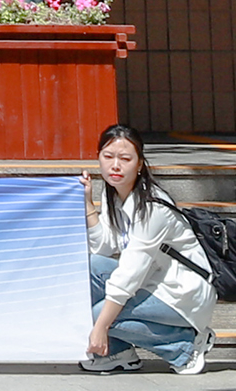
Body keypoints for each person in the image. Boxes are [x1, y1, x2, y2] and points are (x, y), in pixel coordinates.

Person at [82, 124, 214, 374]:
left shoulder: (152, 207)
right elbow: (103, 246)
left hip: (183, 291)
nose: (115, 166)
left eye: (125, 159)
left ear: (140, 164)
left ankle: (185, 346)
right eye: (108, 157)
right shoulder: (114, 194)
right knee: (89, 267)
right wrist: (89, 204)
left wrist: (100, 327)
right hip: (153, 282)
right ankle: (119, 353)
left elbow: (129, 275)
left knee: (99, 315)